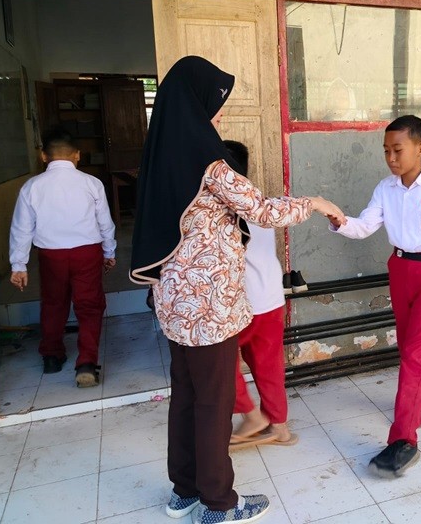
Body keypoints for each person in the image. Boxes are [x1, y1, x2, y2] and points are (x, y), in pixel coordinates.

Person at [129, 56, 344, 523]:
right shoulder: (210, 163)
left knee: (187, 397)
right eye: (215, 101)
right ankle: (219, 503)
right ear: (195, 102)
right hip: (210, 307)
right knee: (213, 403)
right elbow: (262, 210)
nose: (220, 112)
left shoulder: (159, 157)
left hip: (175, 303)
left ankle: (184, 491)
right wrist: (316, 202)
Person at [328, 115, 421, 477]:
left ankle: (404, 439)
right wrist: (338, 219)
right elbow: (365, 226)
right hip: (401, 270)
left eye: (398, 150)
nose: (391, 158)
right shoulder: (385, 188)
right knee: (410, 345)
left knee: (414, 356)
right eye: (386, 151)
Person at [9, 128, 116, 387]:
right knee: (89, 305)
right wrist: (109, 251)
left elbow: (21, 228)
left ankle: (51, 357)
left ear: (44, 156)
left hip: (51, 255)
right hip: (87, 252)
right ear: (77, 155)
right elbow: (105, 222)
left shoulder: (32, 187)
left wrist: (18, 265)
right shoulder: (92, 183)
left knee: (53, 303)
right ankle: (86, 363)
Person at [222, 139, 297, 449]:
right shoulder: (260, 202)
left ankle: (251, 415)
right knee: (269, 366)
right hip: (271, 298)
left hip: (243, 304)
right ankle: (280, 427)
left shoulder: (224, 207)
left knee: (220, 363)